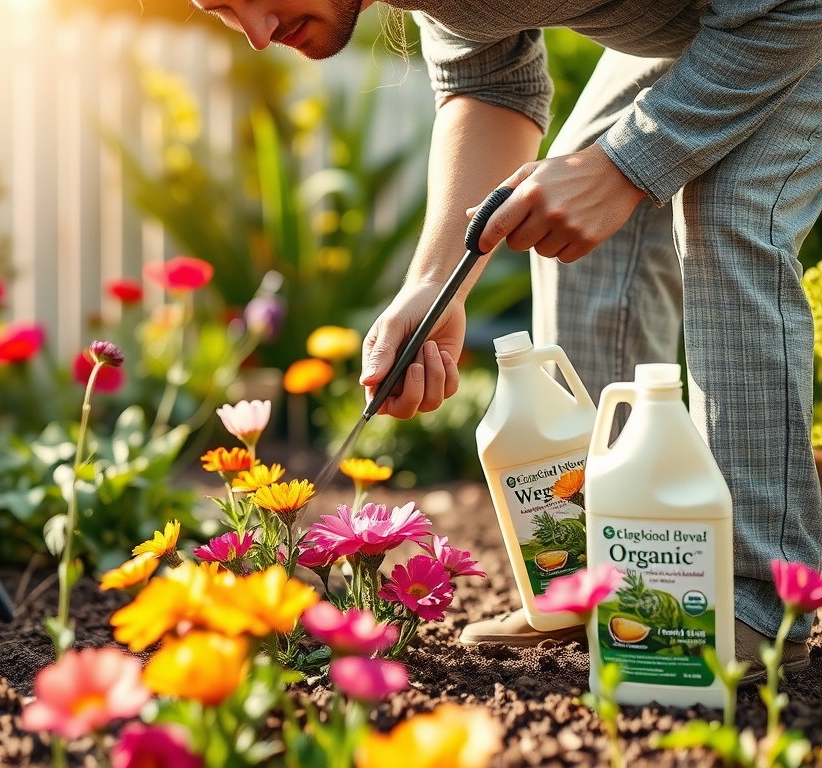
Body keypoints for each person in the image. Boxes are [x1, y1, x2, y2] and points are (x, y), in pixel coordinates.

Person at [191, 0, 822, 675]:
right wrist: (435, 286)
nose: (256, 34)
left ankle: (761, 601)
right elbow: (488, 82)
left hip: (788, 19)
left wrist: (625, 166)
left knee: (727, 203)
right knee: (576, 216)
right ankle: (598, 582)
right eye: (221, 10)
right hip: (711, 23)